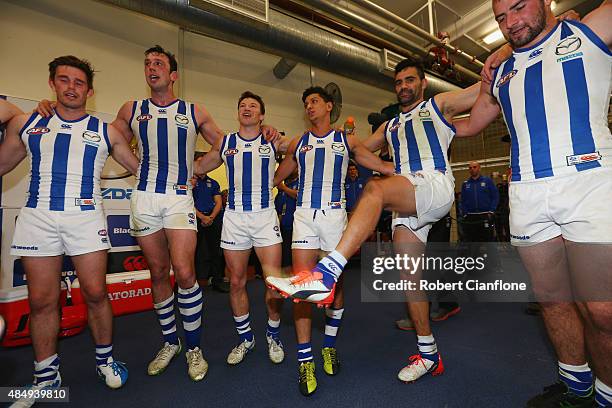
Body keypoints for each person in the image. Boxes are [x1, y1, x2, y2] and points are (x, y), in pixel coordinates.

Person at [266, 60, 480, 384]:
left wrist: (508, 51)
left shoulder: (438, 104)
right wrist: (278, 142)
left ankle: (329, 269)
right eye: (398, 82)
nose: (404, 86)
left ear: (422, 83)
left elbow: (483, 90)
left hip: (431, 184)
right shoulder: (389, 126)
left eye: (410, 80)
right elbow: (366, 153)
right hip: (404, 196)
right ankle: (429, 353)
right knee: (411, 279)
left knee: (375, 190)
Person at [456, 1, 612, 406]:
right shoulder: (499, 72)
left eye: (519, 8)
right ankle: (576, 388)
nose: (510, 22)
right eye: (501, 18)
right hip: (526, 192)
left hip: (590, 183)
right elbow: (471, 124)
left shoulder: (587, 30)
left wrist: (564, 20)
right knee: (551, 299)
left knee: (602, 311)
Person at [1, 56, 139, 405]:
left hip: (86, 218)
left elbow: (142, 168)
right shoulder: (30, 122)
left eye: (79, 82)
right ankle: (46, 375)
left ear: (89, 91)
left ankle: (105, 360)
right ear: (52, 84)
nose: (71, 87)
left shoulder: (105, 130)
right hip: (38, 217)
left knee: (95, 293)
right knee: (41, 301)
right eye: (64, 80)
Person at [267, 86, 395, 396]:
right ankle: (305, 359)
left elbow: (378, 164)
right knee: (304, 289)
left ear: (328, 106)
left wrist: (411, 170)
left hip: (335, 218)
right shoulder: (299, 142)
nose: (309, 106)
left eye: (313, 101)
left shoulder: (346, 140)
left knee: (334, 288)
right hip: (304, 218)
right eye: (305, 102)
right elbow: (276, 177)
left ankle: (329, 346)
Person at [194, 91, 289, 367]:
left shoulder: (272, 140)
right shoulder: (226, 142)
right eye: (243, 106)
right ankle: (246, 338)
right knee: (236, 281)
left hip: (264, 216)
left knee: (273, 282)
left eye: (253, 106)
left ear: (261, 115)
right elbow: (201, 165)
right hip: (234, 217)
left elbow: (299, 149)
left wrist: (278, 175)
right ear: (238, 113)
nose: (247, 109)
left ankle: (273, 335)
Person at [192, 164, 227, 292]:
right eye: (200, 162)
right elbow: (187, 201)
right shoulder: (189, 181)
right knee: (192, 252)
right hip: (195, 218)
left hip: (212, 219)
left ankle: (217, 281)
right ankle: (189, 282)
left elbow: (218, 202)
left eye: (205, 162)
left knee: (216, 251)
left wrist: (211, 217)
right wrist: (201, 217)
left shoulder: (213, 182)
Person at [459, 161, 499, 242]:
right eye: (470, 168)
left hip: (485, 216)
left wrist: (491, 211)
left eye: (474, 167)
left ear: (479, 168)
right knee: (473, 243)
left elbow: (495, 197)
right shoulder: (465, 184)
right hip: (471, 218)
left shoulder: (488, 181)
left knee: (489, 242)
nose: (472, 169)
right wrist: (465, 213)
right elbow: (462, 200)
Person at [275, 168, 299, 274]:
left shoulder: (301, 182)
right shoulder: (283, 188)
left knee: (297, 253)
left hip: (298, 226)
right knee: (285, 253)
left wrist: (284, 188)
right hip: (284, 225)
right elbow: (279, 208)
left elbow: (300, 196)